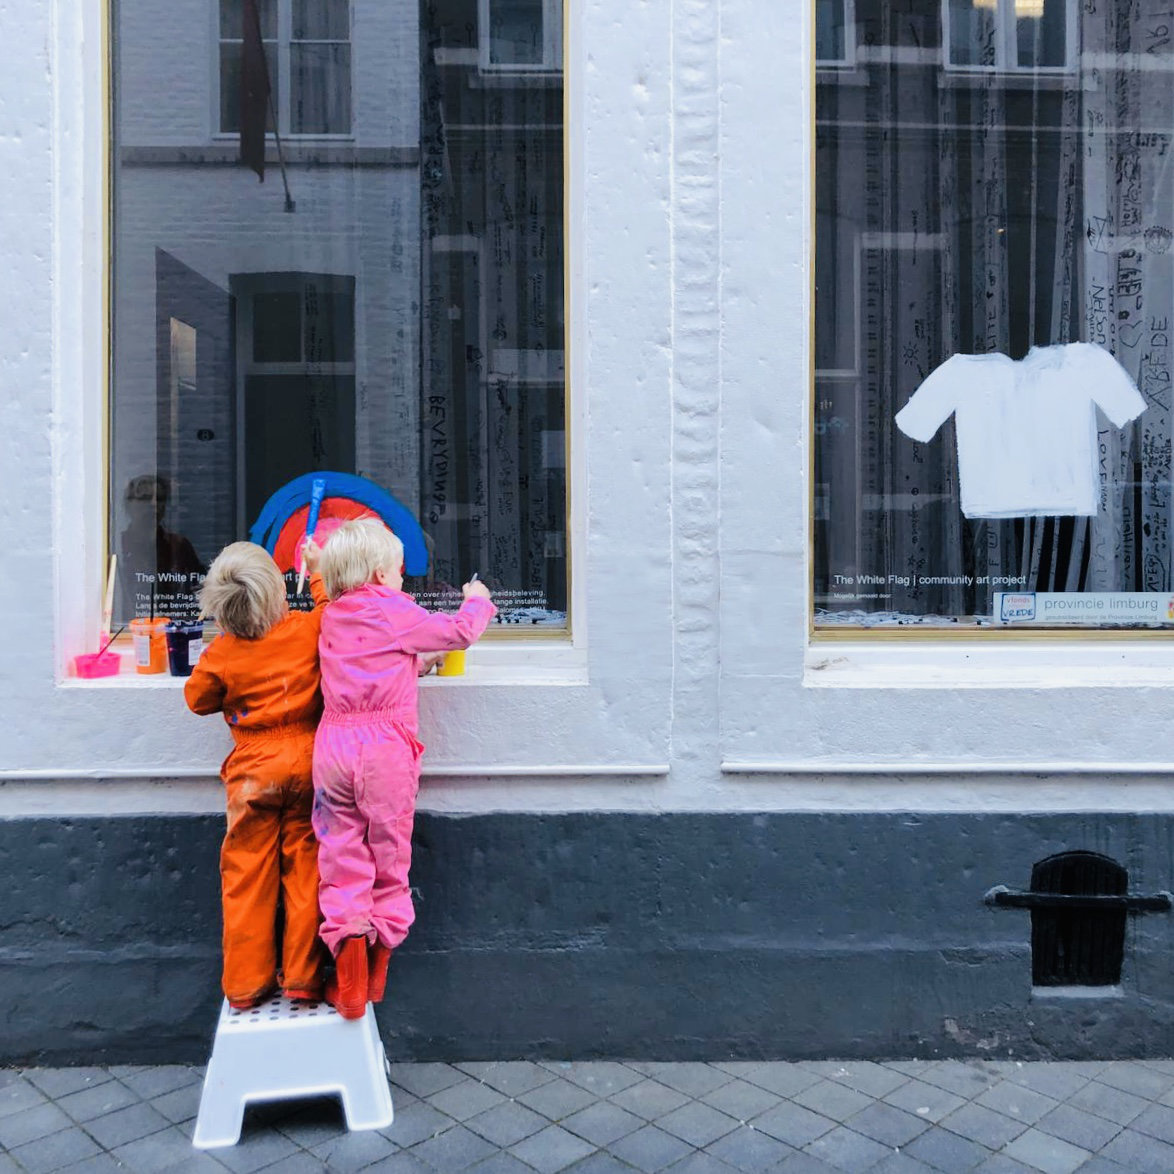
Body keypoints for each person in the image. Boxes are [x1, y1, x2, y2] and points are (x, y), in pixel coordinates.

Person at [313, 518, 495, 1018]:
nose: (402, 579)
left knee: (341, 859)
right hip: (383, 751)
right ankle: (375, 977)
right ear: (379, 573)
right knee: (389, 859)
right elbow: (459, 632)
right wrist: (477, 599)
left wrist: (417, 662)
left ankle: (348, 985)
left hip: (333, 747)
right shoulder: (393, 607)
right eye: (398, 570)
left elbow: (370, 659)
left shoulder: (332, 615)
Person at [183, 540, 328, 1009]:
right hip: (309, 761)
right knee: (306, 869)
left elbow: (197, 700)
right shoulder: (308, 629)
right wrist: (317, 572)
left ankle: (246, 983)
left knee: (247, 875)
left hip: (253, 771)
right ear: (278, 592)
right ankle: (303, 976)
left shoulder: (223, 653)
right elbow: (334, 614)